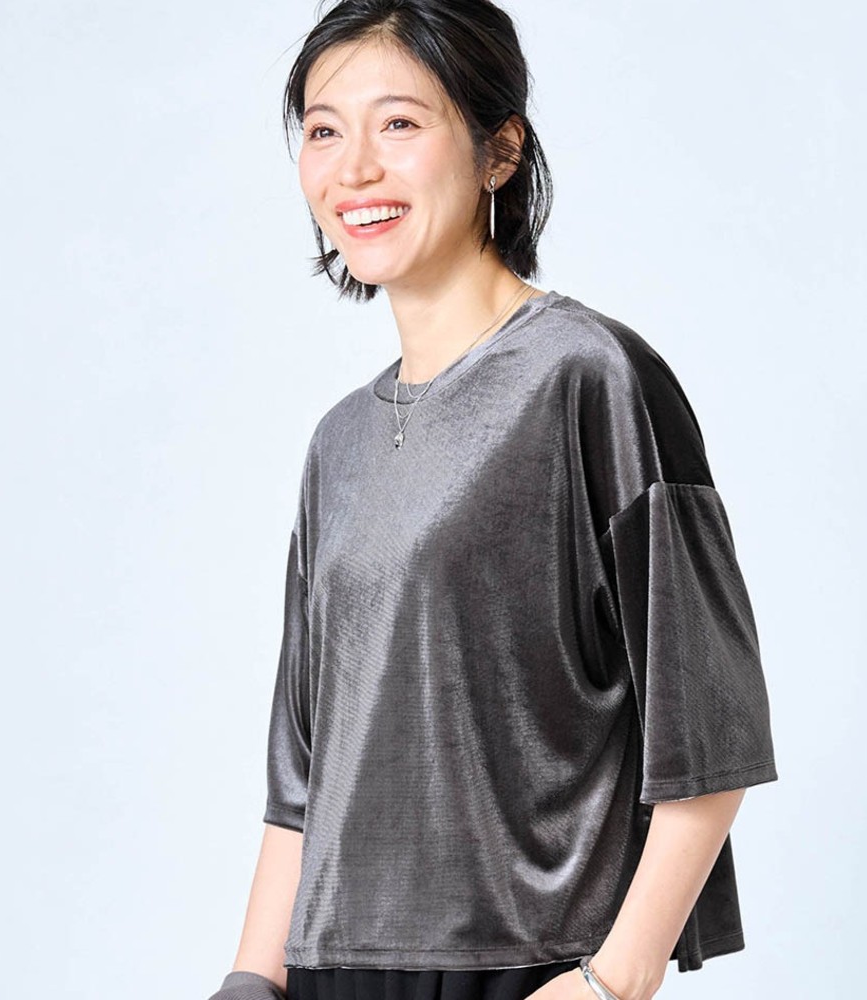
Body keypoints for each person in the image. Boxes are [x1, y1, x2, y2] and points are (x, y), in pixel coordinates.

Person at [207, 2, 779, 999]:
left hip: (523, 962)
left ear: (499, 151)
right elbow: (304, 775)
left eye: (399, 123)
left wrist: (612, 981)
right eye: (324, 130)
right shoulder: (338, 443)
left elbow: (710, 726)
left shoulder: (591, 378)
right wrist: (250, 981)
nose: (353, 170)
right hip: (330, 969)